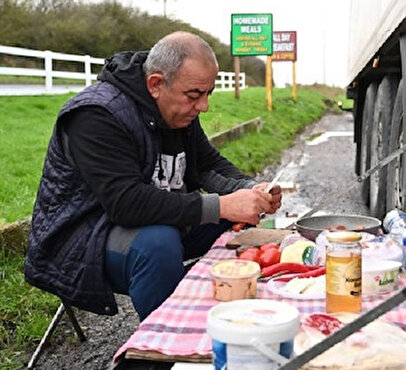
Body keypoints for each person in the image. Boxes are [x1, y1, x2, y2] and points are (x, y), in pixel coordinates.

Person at [24, 31, 282, 320]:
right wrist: (223, 204)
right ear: (156, 84)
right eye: (195, 95)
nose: (204, 107)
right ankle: (169, 341)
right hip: (84, 237)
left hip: (155, 221)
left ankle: (227, 305)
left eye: (207, 94)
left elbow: (206, 164)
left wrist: (249, 191)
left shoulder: (179, 109)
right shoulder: (96, 115)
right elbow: (126, 203)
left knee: (234, 214)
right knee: (159, 243)